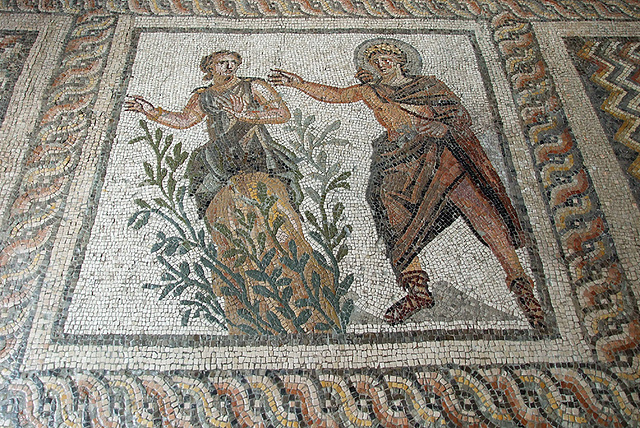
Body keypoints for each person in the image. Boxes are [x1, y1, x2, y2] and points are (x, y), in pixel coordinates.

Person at [269, 40, 547, 331]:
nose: (382, 62)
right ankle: (417, 290)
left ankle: (522, 288)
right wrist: (299, 83)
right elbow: (336, 95)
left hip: (438, 152)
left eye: (388, 56)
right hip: (397, 161)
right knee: (388, 211)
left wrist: (444, 128)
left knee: (479, 210)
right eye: (376, 58)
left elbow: (461, 117)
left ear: (401, 60)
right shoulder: (371, 90)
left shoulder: (429, 85)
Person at [125, 50, 338, 334]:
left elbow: (281, 113)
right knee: (230, 228)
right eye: (222, 63)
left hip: (257, 159)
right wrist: (154, 112)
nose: (230, 67)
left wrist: (246, 113)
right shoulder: (204, 96)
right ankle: (252, 309)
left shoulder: (254, 86)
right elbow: (185, 120)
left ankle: (306, 303)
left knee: (277, 221)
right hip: (221, 165)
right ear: (209, 67)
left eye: (234, 63)